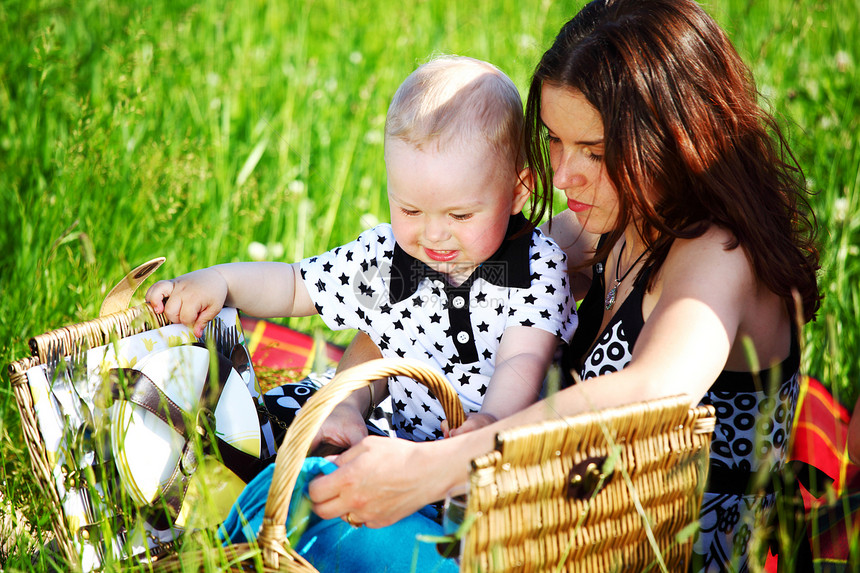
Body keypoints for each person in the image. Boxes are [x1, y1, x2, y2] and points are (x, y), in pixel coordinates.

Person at [302, 1, 821, 571]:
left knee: (316, 525)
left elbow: (652, 392)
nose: (565, 174)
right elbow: (419, 292)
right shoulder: (610, 219)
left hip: (658, 556)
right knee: (308, 486)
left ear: (675, 137)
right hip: (551, 532)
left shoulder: (718, 254)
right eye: (554, 140)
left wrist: (434, 470)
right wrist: (346, 402)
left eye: (595, 152)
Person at [146, 56, 577, 450]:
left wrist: (492, 421)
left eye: (460, 215)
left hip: (502, 453)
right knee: (279, 419)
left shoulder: (535, 268)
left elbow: (523, 358)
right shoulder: (387, 261)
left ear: (519, 191)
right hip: (399, 436)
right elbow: (296, 286)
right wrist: (221, 281)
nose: (433, 235)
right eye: (410, 209)